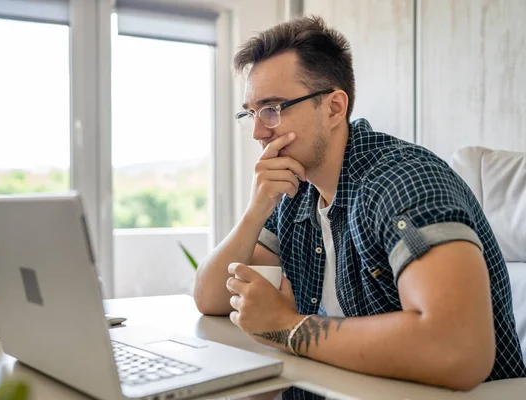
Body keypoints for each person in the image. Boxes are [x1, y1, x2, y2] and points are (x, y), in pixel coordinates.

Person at [192, 15, 526, 391]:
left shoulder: (403, 181)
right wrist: (256, 211)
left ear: (334, 108)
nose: (257, 131)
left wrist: (288, 327)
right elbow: (211, 299)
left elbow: (460, 349)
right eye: (251, 113)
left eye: (274, 109)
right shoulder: (295, 191)